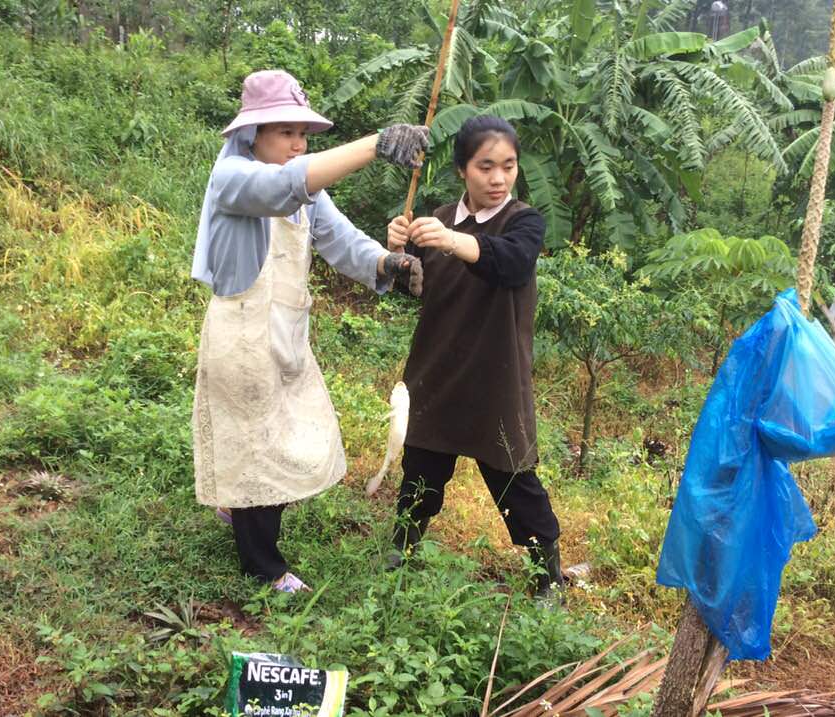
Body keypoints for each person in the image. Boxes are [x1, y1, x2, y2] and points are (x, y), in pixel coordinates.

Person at [191, 70, 427, 593]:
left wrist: (385, 263)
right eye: (286, 133)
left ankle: (240, 508)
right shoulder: (233, 176)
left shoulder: (309, 195)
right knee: (258, 445)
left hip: (286, 331)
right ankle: (263, 567)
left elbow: (340, 239)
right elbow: (282, 189)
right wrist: (376, 144)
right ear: (253, 134)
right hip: (242, 335)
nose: (298, 144)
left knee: (285, 434)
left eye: (303, 134)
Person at [385, 115, 565, 600]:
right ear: (462, 169)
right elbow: (409, 289)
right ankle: (403, 549)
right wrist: (397, 251)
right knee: (421, 469)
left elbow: (510, 263)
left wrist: (450, 240)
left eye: (508, 166)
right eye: (486, 167)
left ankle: (547, 575)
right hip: (437, 368)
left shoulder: (523, 222)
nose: (499, 178)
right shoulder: (438, 218)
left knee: (513, 478)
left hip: (495, 375)